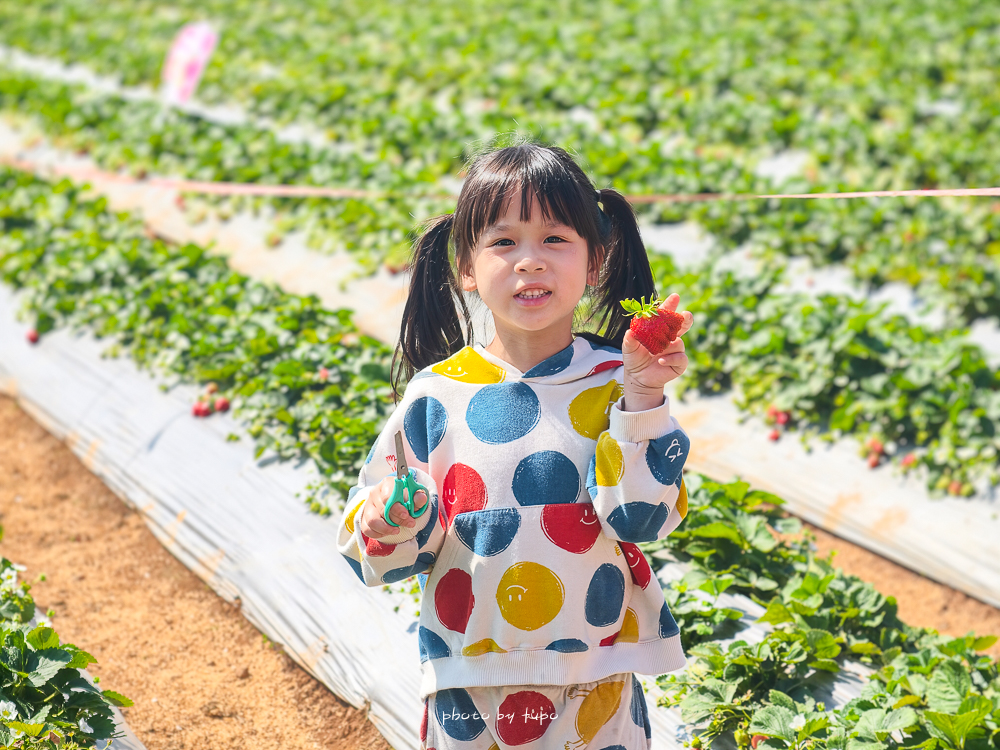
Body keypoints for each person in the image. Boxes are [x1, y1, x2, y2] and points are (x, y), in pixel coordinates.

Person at [336, 142, 693, 750]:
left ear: (596, 262)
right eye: (503, 242)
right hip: (468, 681)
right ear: (466, 269)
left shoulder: (617, 380)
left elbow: (642, 517)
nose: (531, 262)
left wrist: (642, 402)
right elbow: (379, 552)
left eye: (555, 239)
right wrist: (386, 518)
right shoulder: (436, 395)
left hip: (595, 677)